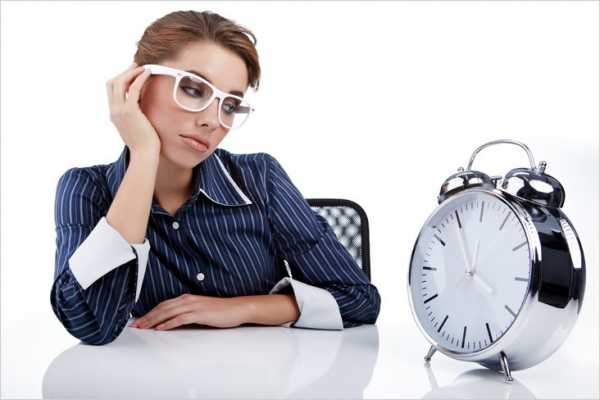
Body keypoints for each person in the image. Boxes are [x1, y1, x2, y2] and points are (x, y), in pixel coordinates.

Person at [50, 10, 381, 345]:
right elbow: (91, 324)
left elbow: (360, 299)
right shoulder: (86, 189)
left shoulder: (260, 178)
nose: (212, 120)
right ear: (138, 83)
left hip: (260, 372)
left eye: (230, 106)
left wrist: (242, 308)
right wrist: (144, 154)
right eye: (193, 90)